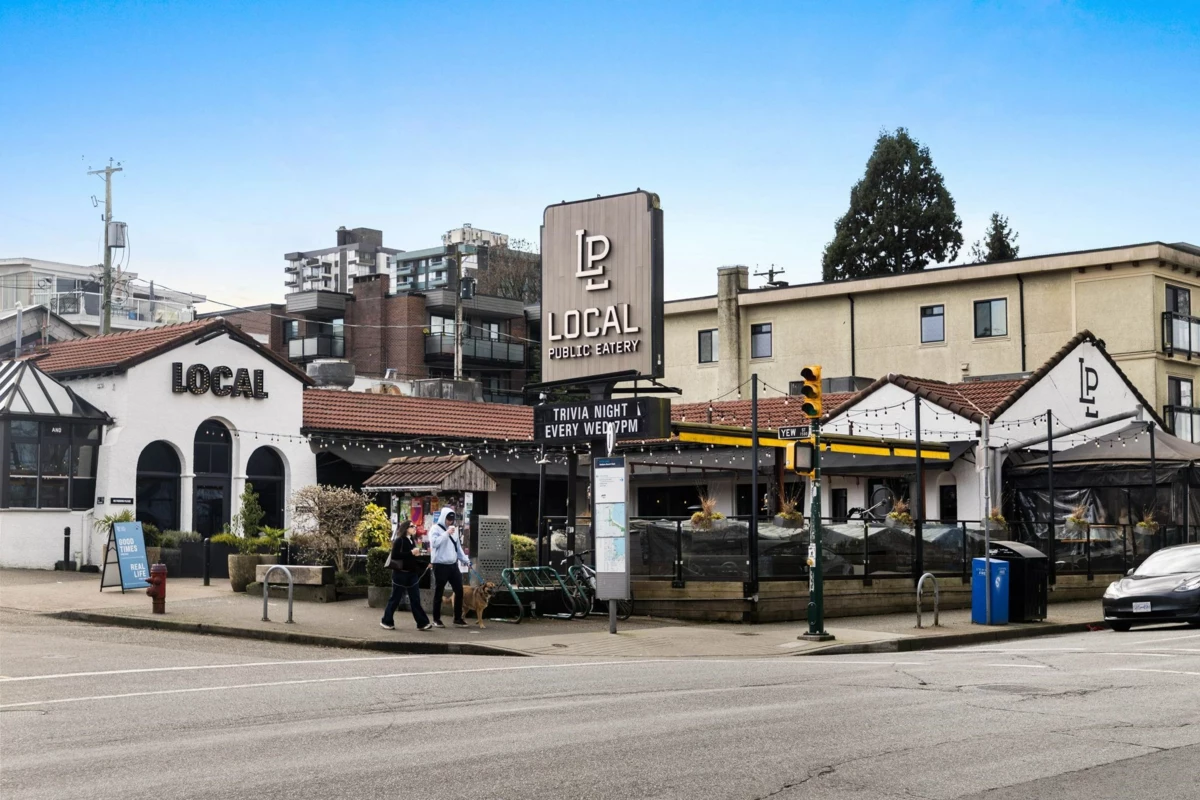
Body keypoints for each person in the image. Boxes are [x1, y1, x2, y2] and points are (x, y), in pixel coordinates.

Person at [381, 520, 432, 631]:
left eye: (414, 526)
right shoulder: (400, 540)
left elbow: (413, 559)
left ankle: (422, 623)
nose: (414, 528)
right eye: (412, 526)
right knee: (395, 598)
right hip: (400, 574)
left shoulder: (411, 541)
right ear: (405, 528)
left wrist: (425, 564)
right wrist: (411, 553)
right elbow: (395, 555)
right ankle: (386, 620)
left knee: (415, 599)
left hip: (411, 574)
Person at [429, 507, 470, 627]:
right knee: (439, 591)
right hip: (440, 565)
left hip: (453, 564)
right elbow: (435, 543)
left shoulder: (455, 530)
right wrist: (446, 533)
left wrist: (466, 560)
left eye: (452, 519)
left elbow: (458, 548)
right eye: (448, 519)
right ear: (443, 517)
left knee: (459, 590)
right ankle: (436, 619)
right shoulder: (435, 529)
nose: (450, 522)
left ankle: (457, 618)